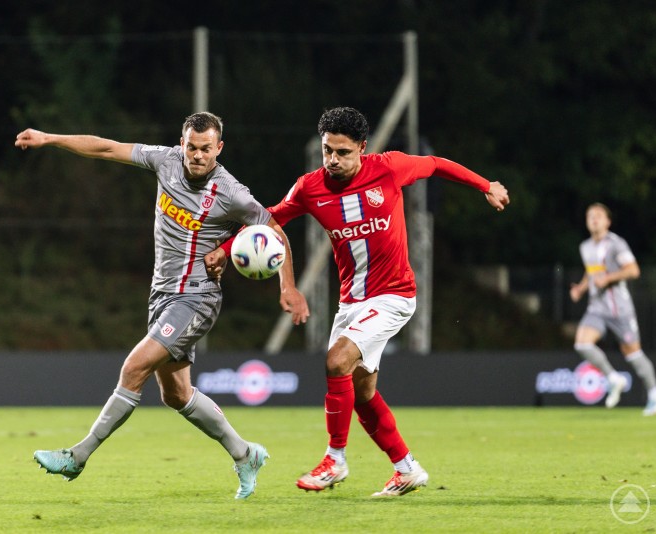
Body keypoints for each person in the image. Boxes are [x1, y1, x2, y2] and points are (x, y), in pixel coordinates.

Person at [206, 106, 510, 497]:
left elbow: (435, 164)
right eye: (327, 150)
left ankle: (335, 458)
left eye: (343, 152)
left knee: (336, 361)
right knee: (362, 393)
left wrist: (485, 185)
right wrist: (227, 247)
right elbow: (272, 218)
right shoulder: (309, 187)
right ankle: (406, 468)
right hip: (352, 302)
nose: (332, 159)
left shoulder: (389, 168)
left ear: (362, 149)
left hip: (395, 294)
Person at [14, 112, 309, 499]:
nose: (197, 155)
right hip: (162, 296)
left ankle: (78, 456)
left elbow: (276, 232)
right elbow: (106, 147)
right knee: (176, 395)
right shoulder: (165, 160)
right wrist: (49, 138)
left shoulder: (232, 193)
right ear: (182, 143)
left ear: (218, 149)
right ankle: (245, 454)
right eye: (191, 146)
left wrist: (288, 287)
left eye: (206, 149)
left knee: (134, 366)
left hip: (197, 297)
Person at [569, 202, 656, 416]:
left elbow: (633, 270)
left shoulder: (616, 244)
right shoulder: (586, 247)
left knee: (633, 353)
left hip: (619, 309)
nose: (594, 219)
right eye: (590, 215)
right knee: (582, 343)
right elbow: (591, 273)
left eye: (598, 215)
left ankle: (655, 394)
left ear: (608, 221)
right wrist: (581, 289)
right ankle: (613, 378)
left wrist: (609, 278)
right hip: (597, 308)